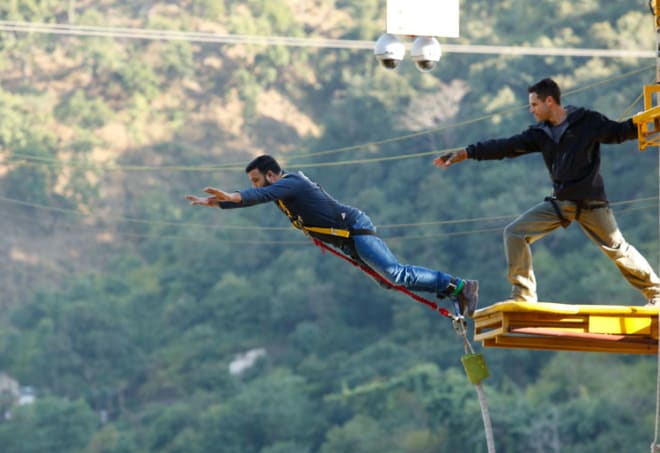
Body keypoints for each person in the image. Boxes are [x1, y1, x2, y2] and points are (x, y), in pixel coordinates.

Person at [434, 77, 660, 306]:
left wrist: (650, 119)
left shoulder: (587, 121)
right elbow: (506, 146)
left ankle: (657, 294)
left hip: (591, 202)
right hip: (562, 202)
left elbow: (619, 132)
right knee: (514, 233)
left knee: (619, 249)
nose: (531, 110)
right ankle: (524, 295)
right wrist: (467, 152)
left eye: (534, 105)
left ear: (549, 101)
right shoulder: (540, 134)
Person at [186, 154, 479, 316]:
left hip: (354, 229)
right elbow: (257, 196)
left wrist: (234, 196)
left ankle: (459, 286)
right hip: (348, 240)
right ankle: (451, 290)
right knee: (388, 283)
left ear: (272, 175)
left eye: (256, 180)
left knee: (395, 274)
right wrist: (221, 202)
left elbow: (257, 196)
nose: (255, 186)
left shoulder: (291, 183)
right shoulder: (280, 191)